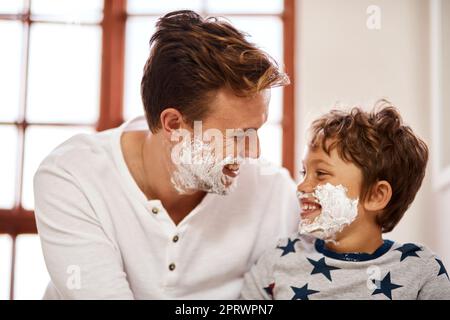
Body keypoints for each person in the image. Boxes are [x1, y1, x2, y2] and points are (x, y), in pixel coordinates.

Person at [33, 10, 299, 299]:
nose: (254, 152)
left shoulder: (274, 192)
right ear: (174, 124)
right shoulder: (72, 176)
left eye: (257, 131)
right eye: (237, 136)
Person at [241, 100, 450, 300]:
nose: (302, 186)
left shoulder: (419, 270)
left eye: (320, 173)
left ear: (376, 196)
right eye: (304, 172)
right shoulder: (279, 259)